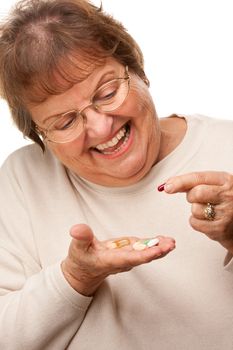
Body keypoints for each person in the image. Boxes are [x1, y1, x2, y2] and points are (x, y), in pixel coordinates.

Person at [0, 0, 233, 349]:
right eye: (64, 122)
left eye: (107, 93)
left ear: (138, 71)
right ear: (39, 135)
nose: (99, 127)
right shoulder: (23, 178)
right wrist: (75, 277)